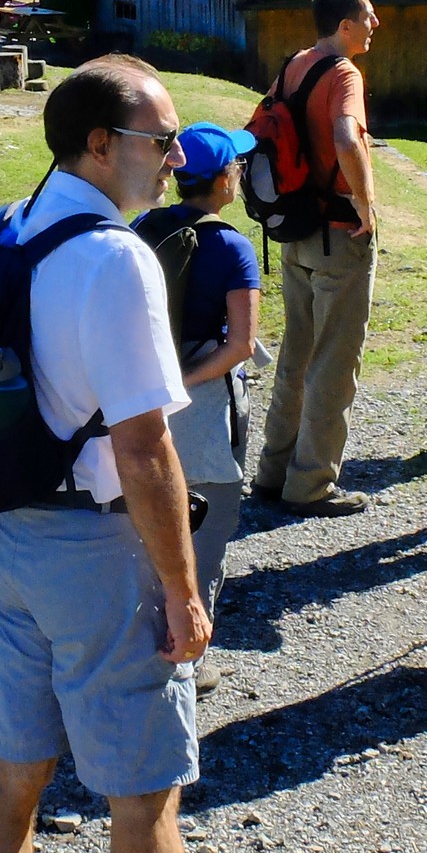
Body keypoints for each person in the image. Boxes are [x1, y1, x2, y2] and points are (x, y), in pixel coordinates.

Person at [0, 57, 286, 853]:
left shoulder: (17, 227)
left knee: (14, 770)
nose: (173, 156)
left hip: (11, 537)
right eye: (158, 138)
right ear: (100, 143)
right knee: (142, 797)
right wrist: (184, 591)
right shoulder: (115, 259)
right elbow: (147, 450)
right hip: (99, 550)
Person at [133, 123, 264, 695]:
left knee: (141, 521)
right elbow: (239, 344)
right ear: (222, 180)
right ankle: (189, 659)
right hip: (202, 400)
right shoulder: (231, 246)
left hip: (137, 392)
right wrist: (183, 382)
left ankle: (138, 644)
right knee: (204, 530)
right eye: (235, 167)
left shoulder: (142, 227)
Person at [251, 0, 380, 518]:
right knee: (333, 362)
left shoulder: (294, 65)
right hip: (338, 233)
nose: (376, 25)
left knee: (297, 354)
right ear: (345, 25)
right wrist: (367, 207)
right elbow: (347, 138)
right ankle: (311, 485)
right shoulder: (345, 74)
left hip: (295, 228)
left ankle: (273, 471)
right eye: (369, 16)